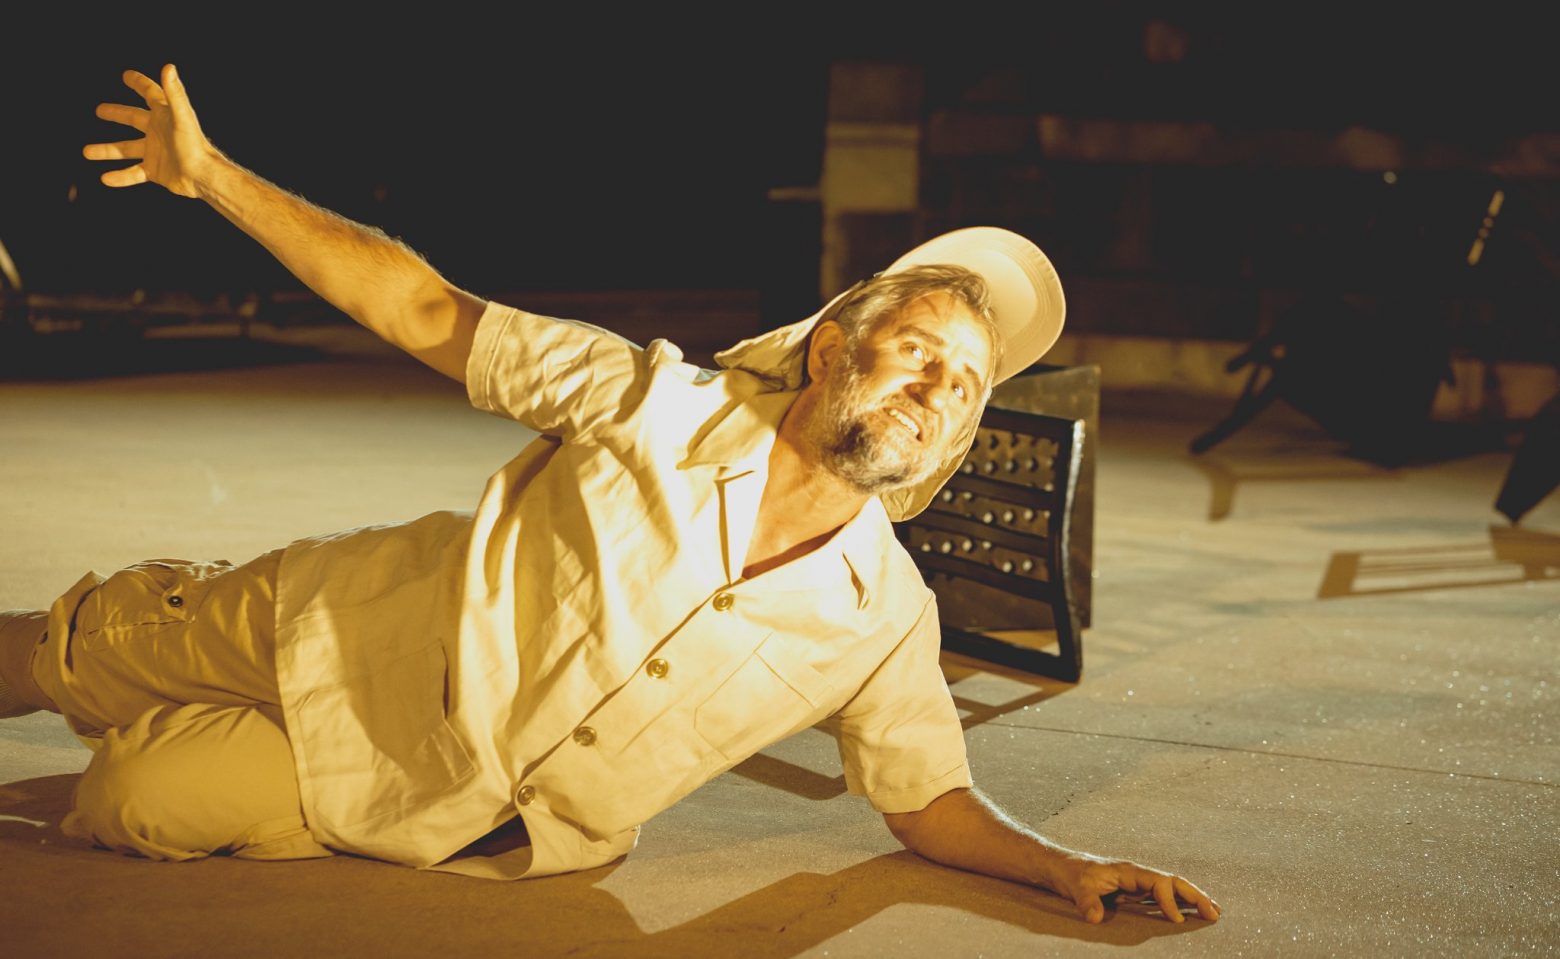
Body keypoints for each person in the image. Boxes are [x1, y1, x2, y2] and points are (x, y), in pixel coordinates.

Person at [0, 63, 1219, 925]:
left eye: (964, 385)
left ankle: (138, 745)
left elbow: (929, 794)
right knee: (82, 652)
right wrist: (210, 174)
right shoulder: (655, 401)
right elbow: (424, 308)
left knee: (136, 796)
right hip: (339, 619)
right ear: (831, 347)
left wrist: (1064, 864)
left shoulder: (883, 613)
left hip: (417, 793)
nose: (938, 389)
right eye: (918, 349)